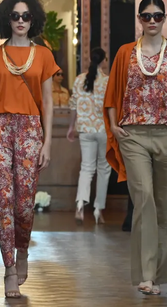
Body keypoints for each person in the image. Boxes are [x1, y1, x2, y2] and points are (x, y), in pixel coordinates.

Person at [103, 0, 167, 296]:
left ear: (165, 18)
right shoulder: (125, 52)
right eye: (146, 16)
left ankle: (157, 276)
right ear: (139, 19)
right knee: (143, 198)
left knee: (165, 206)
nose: (152, 21)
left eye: (157, 16)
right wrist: (114, 126)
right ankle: (145, 275)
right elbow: (112, 93)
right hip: (133, 134)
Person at [0, 0, 59, 299]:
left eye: (26, 16)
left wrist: (48, 141)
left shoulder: (43, 55)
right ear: (6, 19)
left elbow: (48, 102)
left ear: (34, 20)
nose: (21, 21)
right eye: (15, 16)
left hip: (30, 130)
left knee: (23, 203)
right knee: (2, 200)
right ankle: (8, 268)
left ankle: (22, 249)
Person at [67, 48, 111, 224]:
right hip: (103, 129)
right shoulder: (107, 81)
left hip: (85, 129)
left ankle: (80, 204)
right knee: (104, 169)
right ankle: (98, 209)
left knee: (86, 168)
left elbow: (73, 105)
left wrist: (71, 127)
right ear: (104, 61)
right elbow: (112, 107)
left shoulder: (79, 80)